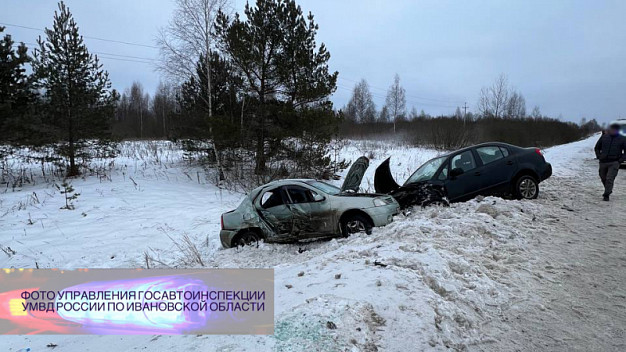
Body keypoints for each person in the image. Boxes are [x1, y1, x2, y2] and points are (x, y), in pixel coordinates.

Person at [594, 123, 625, 201]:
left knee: (609, 178)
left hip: (614, 162)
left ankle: (606, 194)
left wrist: (620, 160)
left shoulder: (622, 139)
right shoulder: (604, 137)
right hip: (603, 162)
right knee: (603, 177)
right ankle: (608, 189)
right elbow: (597, 147)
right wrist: (599, 156)